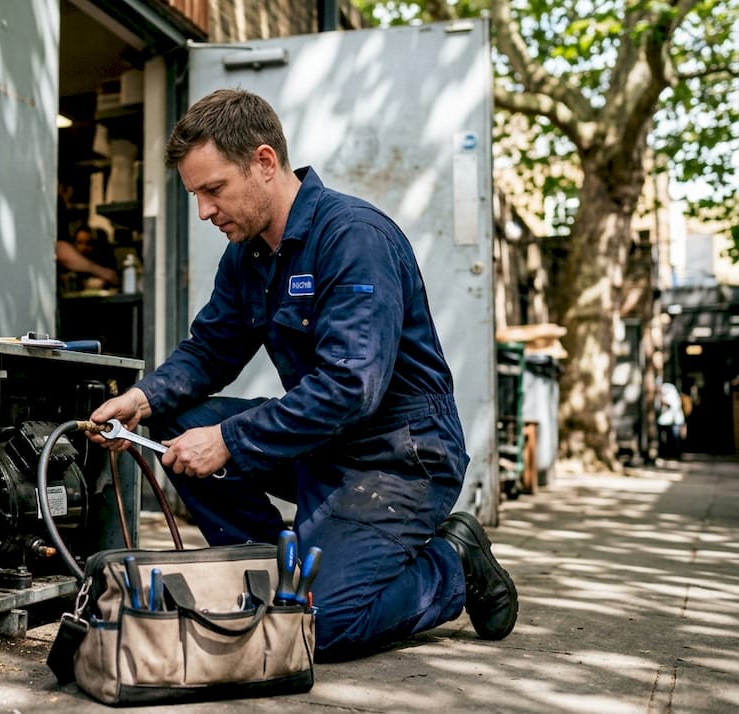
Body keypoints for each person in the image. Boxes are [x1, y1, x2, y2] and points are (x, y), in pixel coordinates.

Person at [87, 89, 517, 660]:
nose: (205, 211)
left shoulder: (353, 238)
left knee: (317, 629)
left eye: (213, 190)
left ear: (264, 162)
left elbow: (350, 386)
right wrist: (141, 400)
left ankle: (450, 562)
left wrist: (230, 439)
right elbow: (212, 348)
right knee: (177, 423)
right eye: (196, 195)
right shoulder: (248, 256)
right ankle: (269, 576)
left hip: (399, 458)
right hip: (323, 445)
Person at [57, 225, 118, 291]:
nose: (84, 248)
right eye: (79, 243)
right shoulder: (65, 266)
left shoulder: (99, 264)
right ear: (73, 244)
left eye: (88, 243)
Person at [656, 381, 685, 459]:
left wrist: (665, 402)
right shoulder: (659, 394)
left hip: (674, 421)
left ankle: (676, 455)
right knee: (666, 439)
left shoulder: (670, 392)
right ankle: (667, 455)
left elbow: (674, 405)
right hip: (664, 421)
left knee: (674, 439)